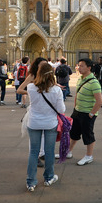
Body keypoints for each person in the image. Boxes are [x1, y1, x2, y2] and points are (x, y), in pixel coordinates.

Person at [17, 62, 65, 192]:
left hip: (33, 122)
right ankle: (49, 178)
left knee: (34, 152)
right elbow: (61, 109)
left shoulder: (32, 87)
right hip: (50, 123)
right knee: (49, 152)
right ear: (52, 74)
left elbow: (24, 91)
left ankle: (31, 182)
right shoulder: (56, 90)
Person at [68, 58, 102, 165]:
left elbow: (100, 101)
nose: (79, 67)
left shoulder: (94, 82)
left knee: (88, 135)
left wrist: (91, 114)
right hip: (77, 111)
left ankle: (89, 156)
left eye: (82, 65)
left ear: (89, 67)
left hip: (87, 113)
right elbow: (77, 95)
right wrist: (75, 107)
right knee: (73, 133)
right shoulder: (80, 79)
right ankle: (68, 152)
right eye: (78, 65)